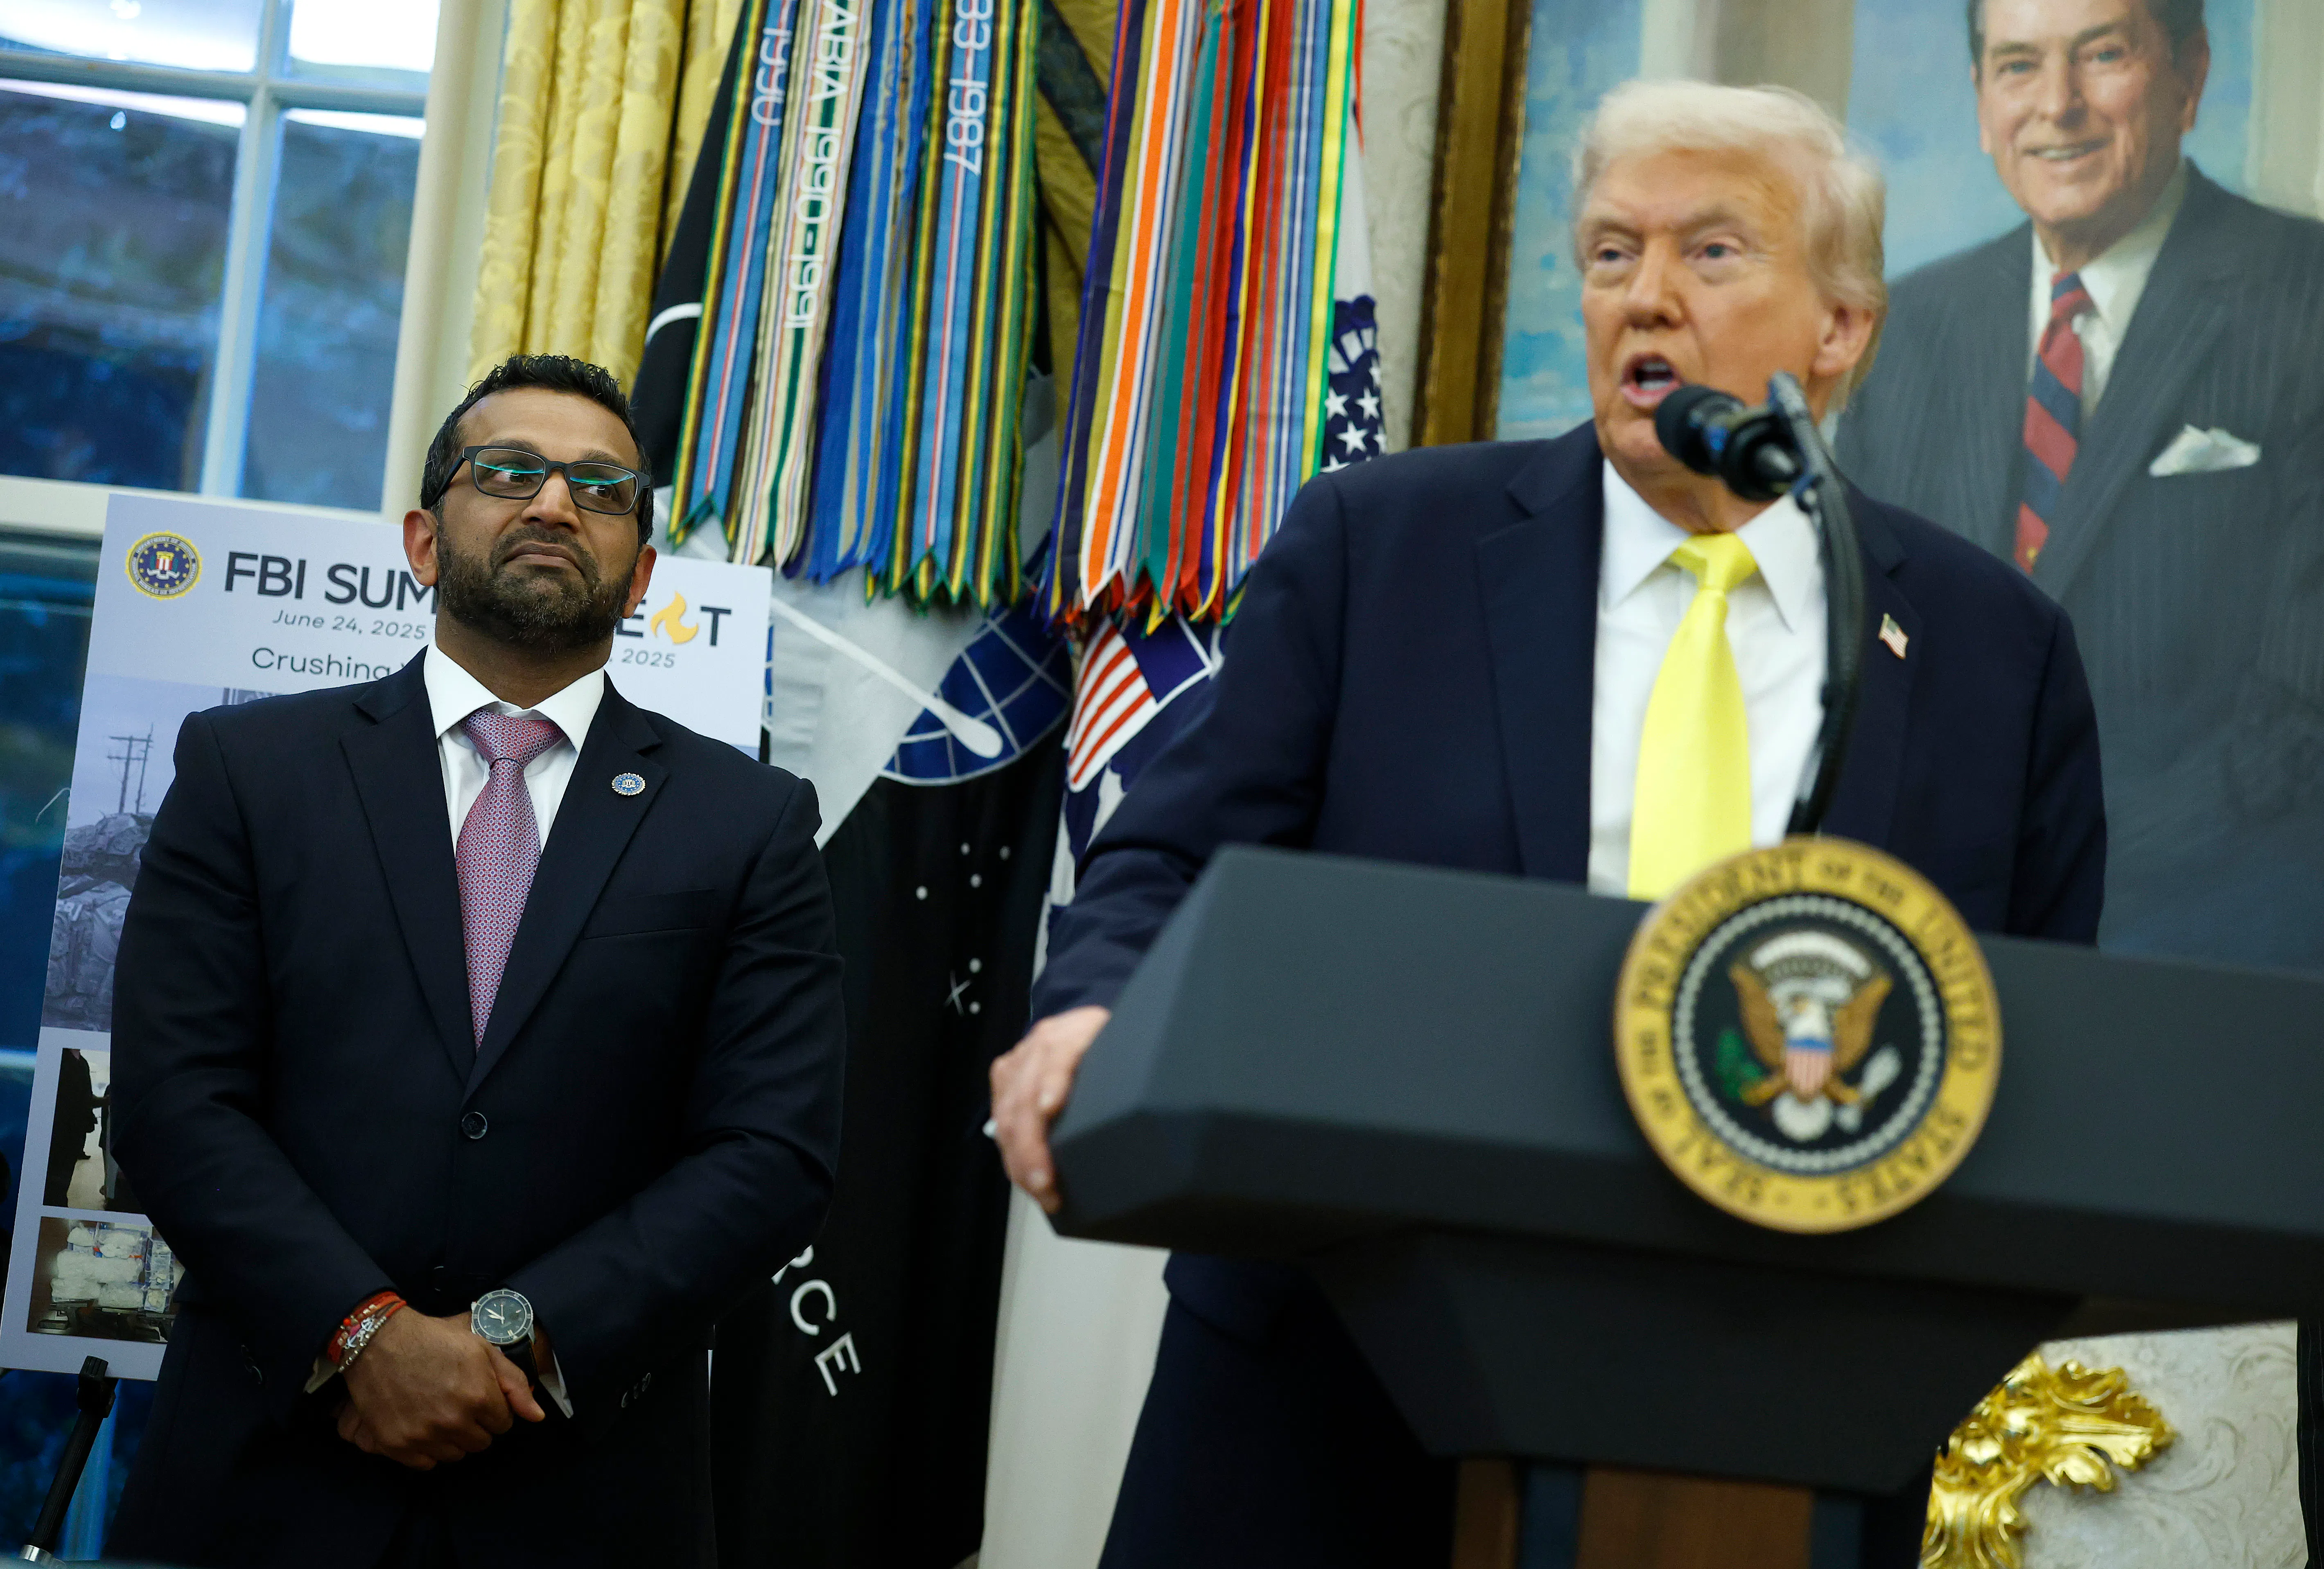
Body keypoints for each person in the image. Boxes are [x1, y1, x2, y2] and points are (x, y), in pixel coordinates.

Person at [990, 81, 2106, 1567]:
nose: (1644, 297)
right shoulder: (1381, 544)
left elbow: (2022, 1022)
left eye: (1711, 253)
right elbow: (1170, 852)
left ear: (1840, 328)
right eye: (1606, 254)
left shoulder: (1990, 649)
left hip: (1775, 1406)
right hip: (1334, 1378)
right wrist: (1089, 1012)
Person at [106, 354, 848, 1569]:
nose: (555, 506)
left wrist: (515, 1341)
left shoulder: (749, 821)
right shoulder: (252, 772)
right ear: (422, 538)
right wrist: (363, 1336)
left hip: (584, 1488)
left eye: (602, 490)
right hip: (267, 1469)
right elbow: (177, 1104)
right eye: (507, 474)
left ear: (645, 575)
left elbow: (771, 1154)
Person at [1838, 0, 2324, 972]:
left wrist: (2046, 870)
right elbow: (1859, 650)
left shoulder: (2307, 298)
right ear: (1981, 102)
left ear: (2188, 76)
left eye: (2102, 55)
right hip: (1935, 936)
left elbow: (2298, 719)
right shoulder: (1913, 325)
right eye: (2018, 66)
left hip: (2216, 947)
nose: (2057, 106)